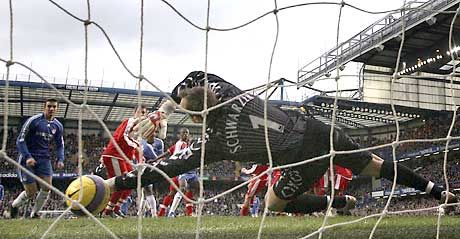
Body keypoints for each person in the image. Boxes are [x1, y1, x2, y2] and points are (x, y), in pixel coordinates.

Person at [107, 71, 457, 215]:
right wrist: (174, 104)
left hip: (302, 157)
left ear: (197, 119)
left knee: (274, 202)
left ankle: (336, 201)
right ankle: (439, 191)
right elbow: (197, 77)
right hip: (318, 130)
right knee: (376, 165)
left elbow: (165, 167)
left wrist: (115, 182)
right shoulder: (227, 91)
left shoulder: (213, 143)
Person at [10, 98, 65, 218]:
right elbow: (20, 140)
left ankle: (34, 213)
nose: (51, 109)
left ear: (57, 109)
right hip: (27, 159)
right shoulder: (33, 121)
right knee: (31, 192)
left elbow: (60, 145)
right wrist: (28, 156)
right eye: (49, 106)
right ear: (44, 107)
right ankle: (14, 206)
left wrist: (60, 159)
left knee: (47, 187)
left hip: (44, 159)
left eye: (54, 107)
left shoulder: (58, 126)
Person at [101, 104, 148, 217]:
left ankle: (116, 208)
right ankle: (107, 211)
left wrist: (141, 159)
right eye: (140, 112)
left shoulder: (139, 130)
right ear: (135, 113)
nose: (142, 115)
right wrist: (136, 147)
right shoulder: (130, 121)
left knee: (131, 183)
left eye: (144, 113)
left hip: (123, 158)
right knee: (122, 182)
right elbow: (121, 137)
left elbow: (136, 147)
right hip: (115, 155)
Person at [157, 128, 193, 217]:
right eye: (184, 133)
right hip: (179, 169)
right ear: (179, 135)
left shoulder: (177, 144)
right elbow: (184, 156)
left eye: (187, 133)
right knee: (185, 189)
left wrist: (156, 159)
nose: (185, 135)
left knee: (173, 192)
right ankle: (173, 212)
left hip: (173, 170)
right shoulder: (183, 144)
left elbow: (167, 153)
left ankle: (160, 213)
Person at [140, 135, 165, 217]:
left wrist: (155, 163)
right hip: (143, 167)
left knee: (148, 190)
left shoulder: (159, 142)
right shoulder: (142, 141)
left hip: (152, 167)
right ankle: (141, 212)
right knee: (144, 191)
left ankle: (153, 213)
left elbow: (160, 157)